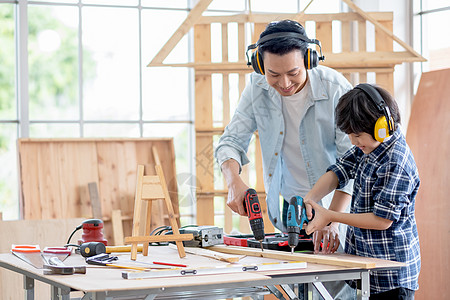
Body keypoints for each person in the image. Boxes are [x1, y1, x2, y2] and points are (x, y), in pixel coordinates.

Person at [214, 19, 355, 299]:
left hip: (335, 215)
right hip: (287, 217)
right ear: (259, 66)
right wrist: (233, 180)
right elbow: (231, 141)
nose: (285, 83)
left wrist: (333, 221)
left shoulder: (336, 88)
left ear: (309, 59)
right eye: (273, 75)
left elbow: (351, 162)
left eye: (293, 72)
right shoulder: (256, 89)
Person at [304, 83, 421, 299]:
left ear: (382, 126)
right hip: (369, 268)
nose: (353, 141)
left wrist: (330, 216)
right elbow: (338, 172)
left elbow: (382, 220)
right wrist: (310, 199)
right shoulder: (367, 148)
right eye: (349, 134)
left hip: (392, 276)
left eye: (357, 134)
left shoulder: (396, 162)